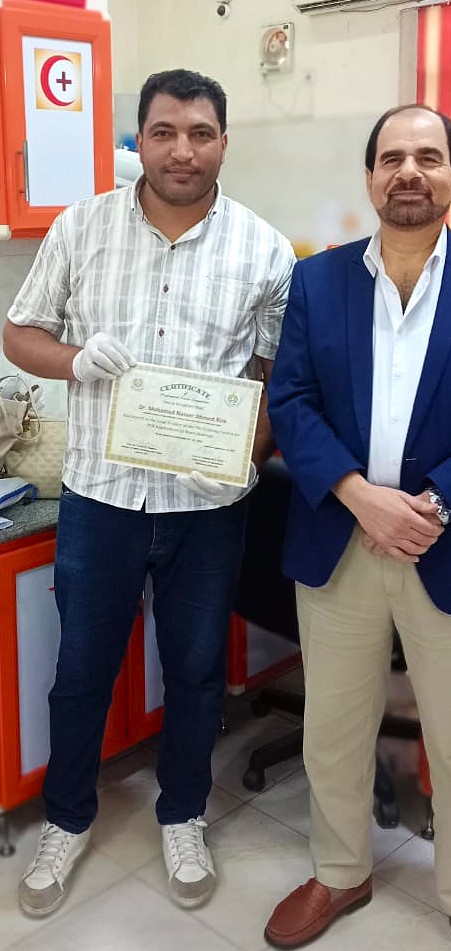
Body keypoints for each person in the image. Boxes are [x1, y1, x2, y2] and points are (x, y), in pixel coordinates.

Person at [3, 68, 294, 918]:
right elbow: (19, 334)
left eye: (201, 133)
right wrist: (74, 359)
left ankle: (182, 815)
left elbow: (276, 375)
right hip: (101, 497)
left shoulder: (265, 249)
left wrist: (248, 456)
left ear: (224, 143)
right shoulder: (81, 226)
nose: (182, 150)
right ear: (141, 139)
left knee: (197, 672)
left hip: (207, 509)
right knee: (81, 672)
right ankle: (66, 819)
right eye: (164, 132)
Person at [264, 104, 451, 951]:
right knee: (333, 731)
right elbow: (292, 401)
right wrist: (360, 496)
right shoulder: (317, 282)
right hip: (341, 542)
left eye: (429, 156)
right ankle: (339, 870)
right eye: (392, 157)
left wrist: (432, 506)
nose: (410, 171)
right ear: (370, 177)